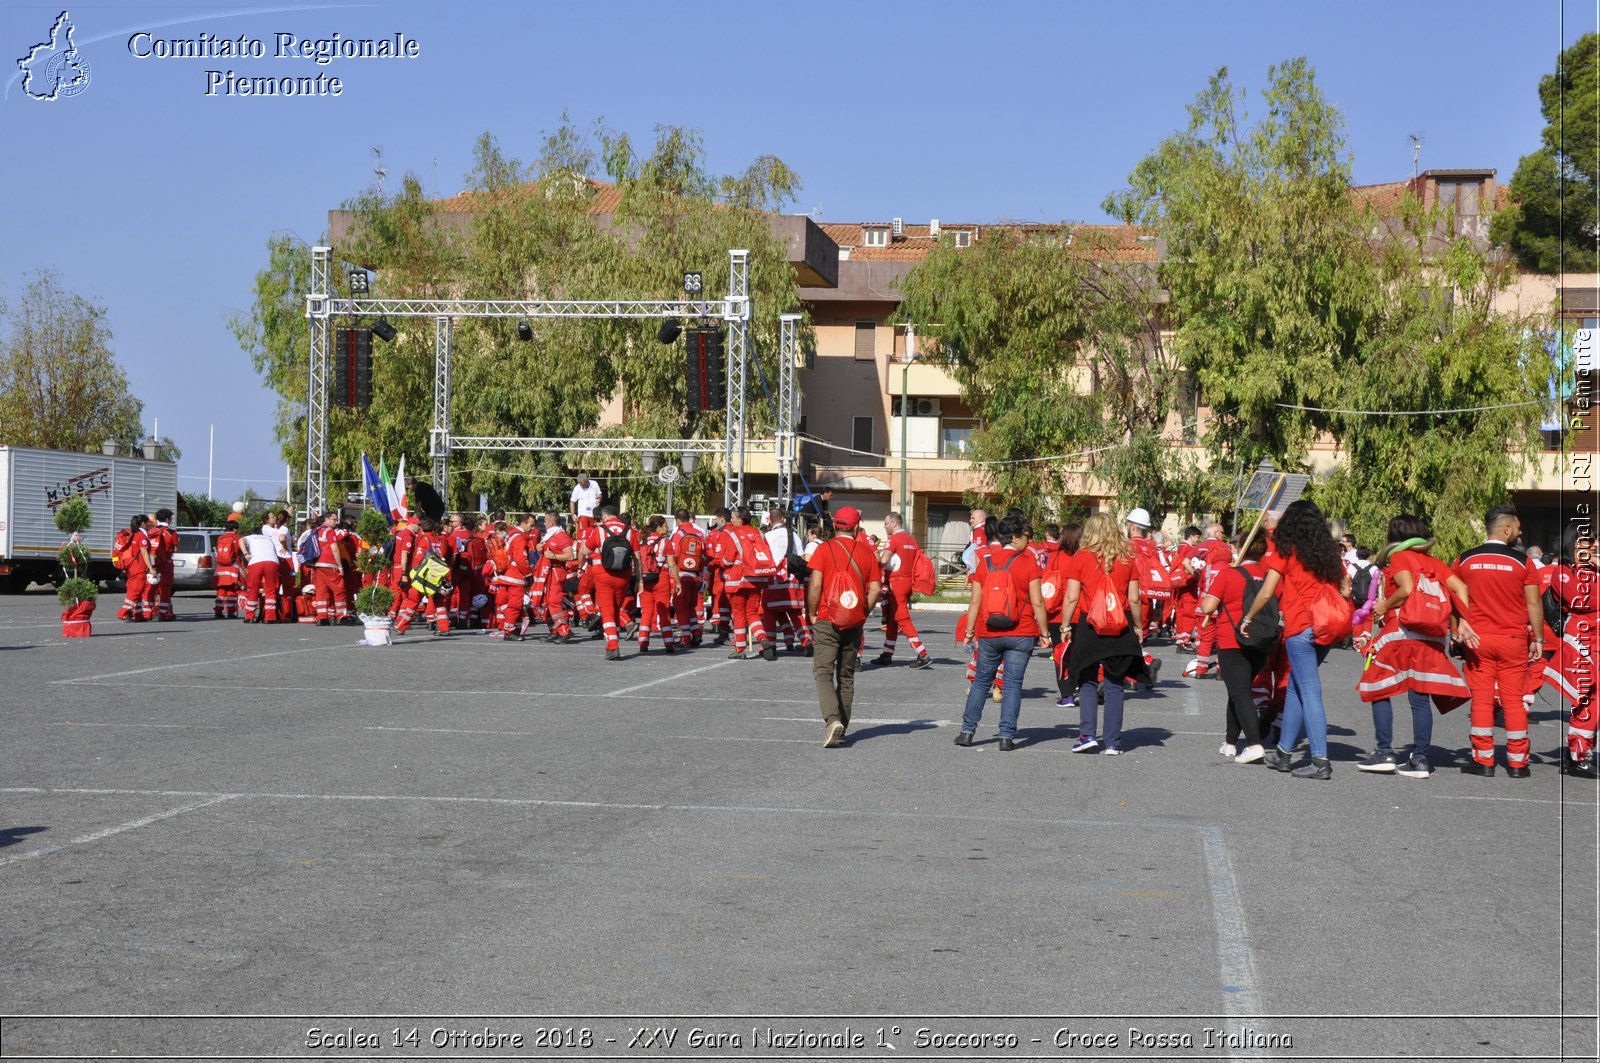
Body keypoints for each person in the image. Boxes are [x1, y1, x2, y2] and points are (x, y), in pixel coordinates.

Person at [1353, 515, 1473, 779]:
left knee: (1376, 686)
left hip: (1400, 630)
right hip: (1432, 636)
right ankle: (1420, 759)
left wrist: (1384, 605)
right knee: (1420, 697)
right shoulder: (1435, 563)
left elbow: (1406, 588)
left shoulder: (1399, 557)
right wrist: (1461, 622)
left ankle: (1384, 752)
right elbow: (1461, 588)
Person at [1240, 499, 1349, 780]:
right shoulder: (1328, 553)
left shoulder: (1285, 551)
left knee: (1309, 690)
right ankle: (1285, 752)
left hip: (1300, 625)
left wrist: (1248, 617)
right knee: (1296, 689)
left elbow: (1266, 592)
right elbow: (1345, 589)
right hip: (1326, 627)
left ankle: (1320, 760)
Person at [1453, 504, 1543, 778]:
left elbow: (1454, 598)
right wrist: (1537, 638)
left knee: (1481, 699)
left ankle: (1483, 760)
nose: (1520, 531)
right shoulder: (1523, 562)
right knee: (1514, 701)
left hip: (1477, 640)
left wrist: (1456, 632)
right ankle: (1517, 763)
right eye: (1517, 527)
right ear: (1506, 530)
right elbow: (1533, 602)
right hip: (1513, 638)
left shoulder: (1464, 560)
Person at [954, 514, 1049, 751]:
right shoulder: (1028, 562)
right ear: (1015, 537)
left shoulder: (986, 562)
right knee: (1013, 685)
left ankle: (967, 732)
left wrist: (969, 631)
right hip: (1022, 632)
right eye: (1025, 535)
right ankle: (1006, 736)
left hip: (989, 633)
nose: (1028, 539)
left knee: (980, 682)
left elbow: (975, 602)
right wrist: (1045, 632)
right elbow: (1038, 602)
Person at [1058, 513, 1147, 755]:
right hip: (1120, 625)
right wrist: (1139, 626)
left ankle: (1087, 735)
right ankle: (1113, 742)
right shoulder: (1128, 559)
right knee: (1115, 684)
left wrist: (1065, 626)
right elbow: (1135, 598)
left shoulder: (1082, 557)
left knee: (1086, 680)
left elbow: (1072, 597)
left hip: (1090, 625)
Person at [806, 507, 882, 747]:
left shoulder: (823, 549)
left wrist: (812, 612)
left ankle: (832, 720)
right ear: (856, 527)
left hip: (828, 617)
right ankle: (843, 725)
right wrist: (863, 612)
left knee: (822, 672)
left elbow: (816, 585)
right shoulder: (867, 553)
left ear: (835, 525)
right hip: (854, 621)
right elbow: (876, 589)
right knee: (846, 675)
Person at [1198, 533, 1272, 763]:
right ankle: (1230, 742)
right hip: (1261, 641)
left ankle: (1253, 743)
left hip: (1233, 640)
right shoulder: (1269, 576)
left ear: (1242, 549)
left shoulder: (1229, 574)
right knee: (1237, 691)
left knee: (1240, 693)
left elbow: (1208, 605)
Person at [1545, 526, 1600, 777]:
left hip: (1596, 642)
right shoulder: (1563, 572)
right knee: (1587, 699)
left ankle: (1578, 752)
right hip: (1581, 643)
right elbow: (1583, 600)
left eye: (1594, 543)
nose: (1594, 547)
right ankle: (1578, 756)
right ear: (1572, 546)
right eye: (1587, 543)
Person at [873, 511, 932, 669]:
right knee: (893, 619)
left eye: (886, 523)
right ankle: (887, 654)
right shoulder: (911, 540)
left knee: (902, 618)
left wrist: (873, 558)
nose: (885, 527)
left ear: (893, 523)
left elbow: (884, 561)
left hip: (896, 582)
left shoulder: (894, 539)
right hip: (908, 581)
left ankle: (922, 653)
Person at [720, 506, 776, 660]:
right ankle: (764, 639)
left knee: (738, 614)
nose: (731, 520)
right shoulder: (758, 533)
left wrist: (722, 563)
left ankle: (739, 649)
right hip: (756, 578)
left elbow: (728, 559)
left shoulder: (734, 534)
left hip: (737, 579)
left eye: (733, 517)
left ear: (740, 519)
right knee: (752, 614)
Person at [587, 504, 638, 661]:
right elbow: (637, 558)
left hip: (604, 575)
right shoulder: (630, 531)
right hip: (623, 576)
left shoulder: (600, 530)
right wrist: (639, 579)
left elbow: (586, 550)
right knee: (616, 610)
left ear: (604, 516)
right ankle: (612, 639)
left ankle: (613, 645)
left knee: (607, 611)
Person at [762, 507, 811, 654]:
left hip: (773, 580)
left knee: (769, 612)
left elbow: (764, 559)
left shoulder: (768, 537)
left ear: (770, 520)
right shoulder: (794, 535)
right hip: (791, 579)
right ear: (783, 519)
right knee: (795, 613)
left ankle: (770, 645)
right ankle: (806, 640)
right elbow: (801, 558)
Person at [665, 509, 706, 647]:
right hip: (695, 575)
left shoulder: (678, 534)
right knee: (691, 606)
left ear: (677, 520)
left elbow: (674, 557)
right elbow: (704, 556)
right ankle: (696, 632)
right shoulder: (699, 533)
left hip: (681, 575)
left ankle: (685, 638)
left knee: (681, 608)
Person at [239, 521, 281, 623]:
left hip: (256, 562)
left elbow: (240, 540)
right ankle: (269, 618)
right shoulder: (269, 539)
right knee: (270, 589)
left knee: (253, 588)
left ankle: (250, 617)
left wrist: (245, 554)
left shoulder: (250, 537)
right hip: (272, 562)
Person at [149, 508, 178, 620]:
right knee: (165, 589)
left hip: (153, 563)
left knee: (153, 588)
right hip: (166, 563)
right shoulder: (171, 533)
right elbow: (175, 548)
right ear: (167, 519)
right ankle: (164, 613)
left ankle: (153, 611)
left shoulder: (151, 531)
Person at [212, 518, 243, 619]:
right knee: (231, 591)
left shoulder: (220, 538)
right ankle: (230, 612)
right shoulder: (237, 538)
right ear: (234, 529)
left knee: (221, 591)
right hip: (232, 568)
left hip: (220, 568)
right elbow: (239, 553)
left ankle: (218, 611)